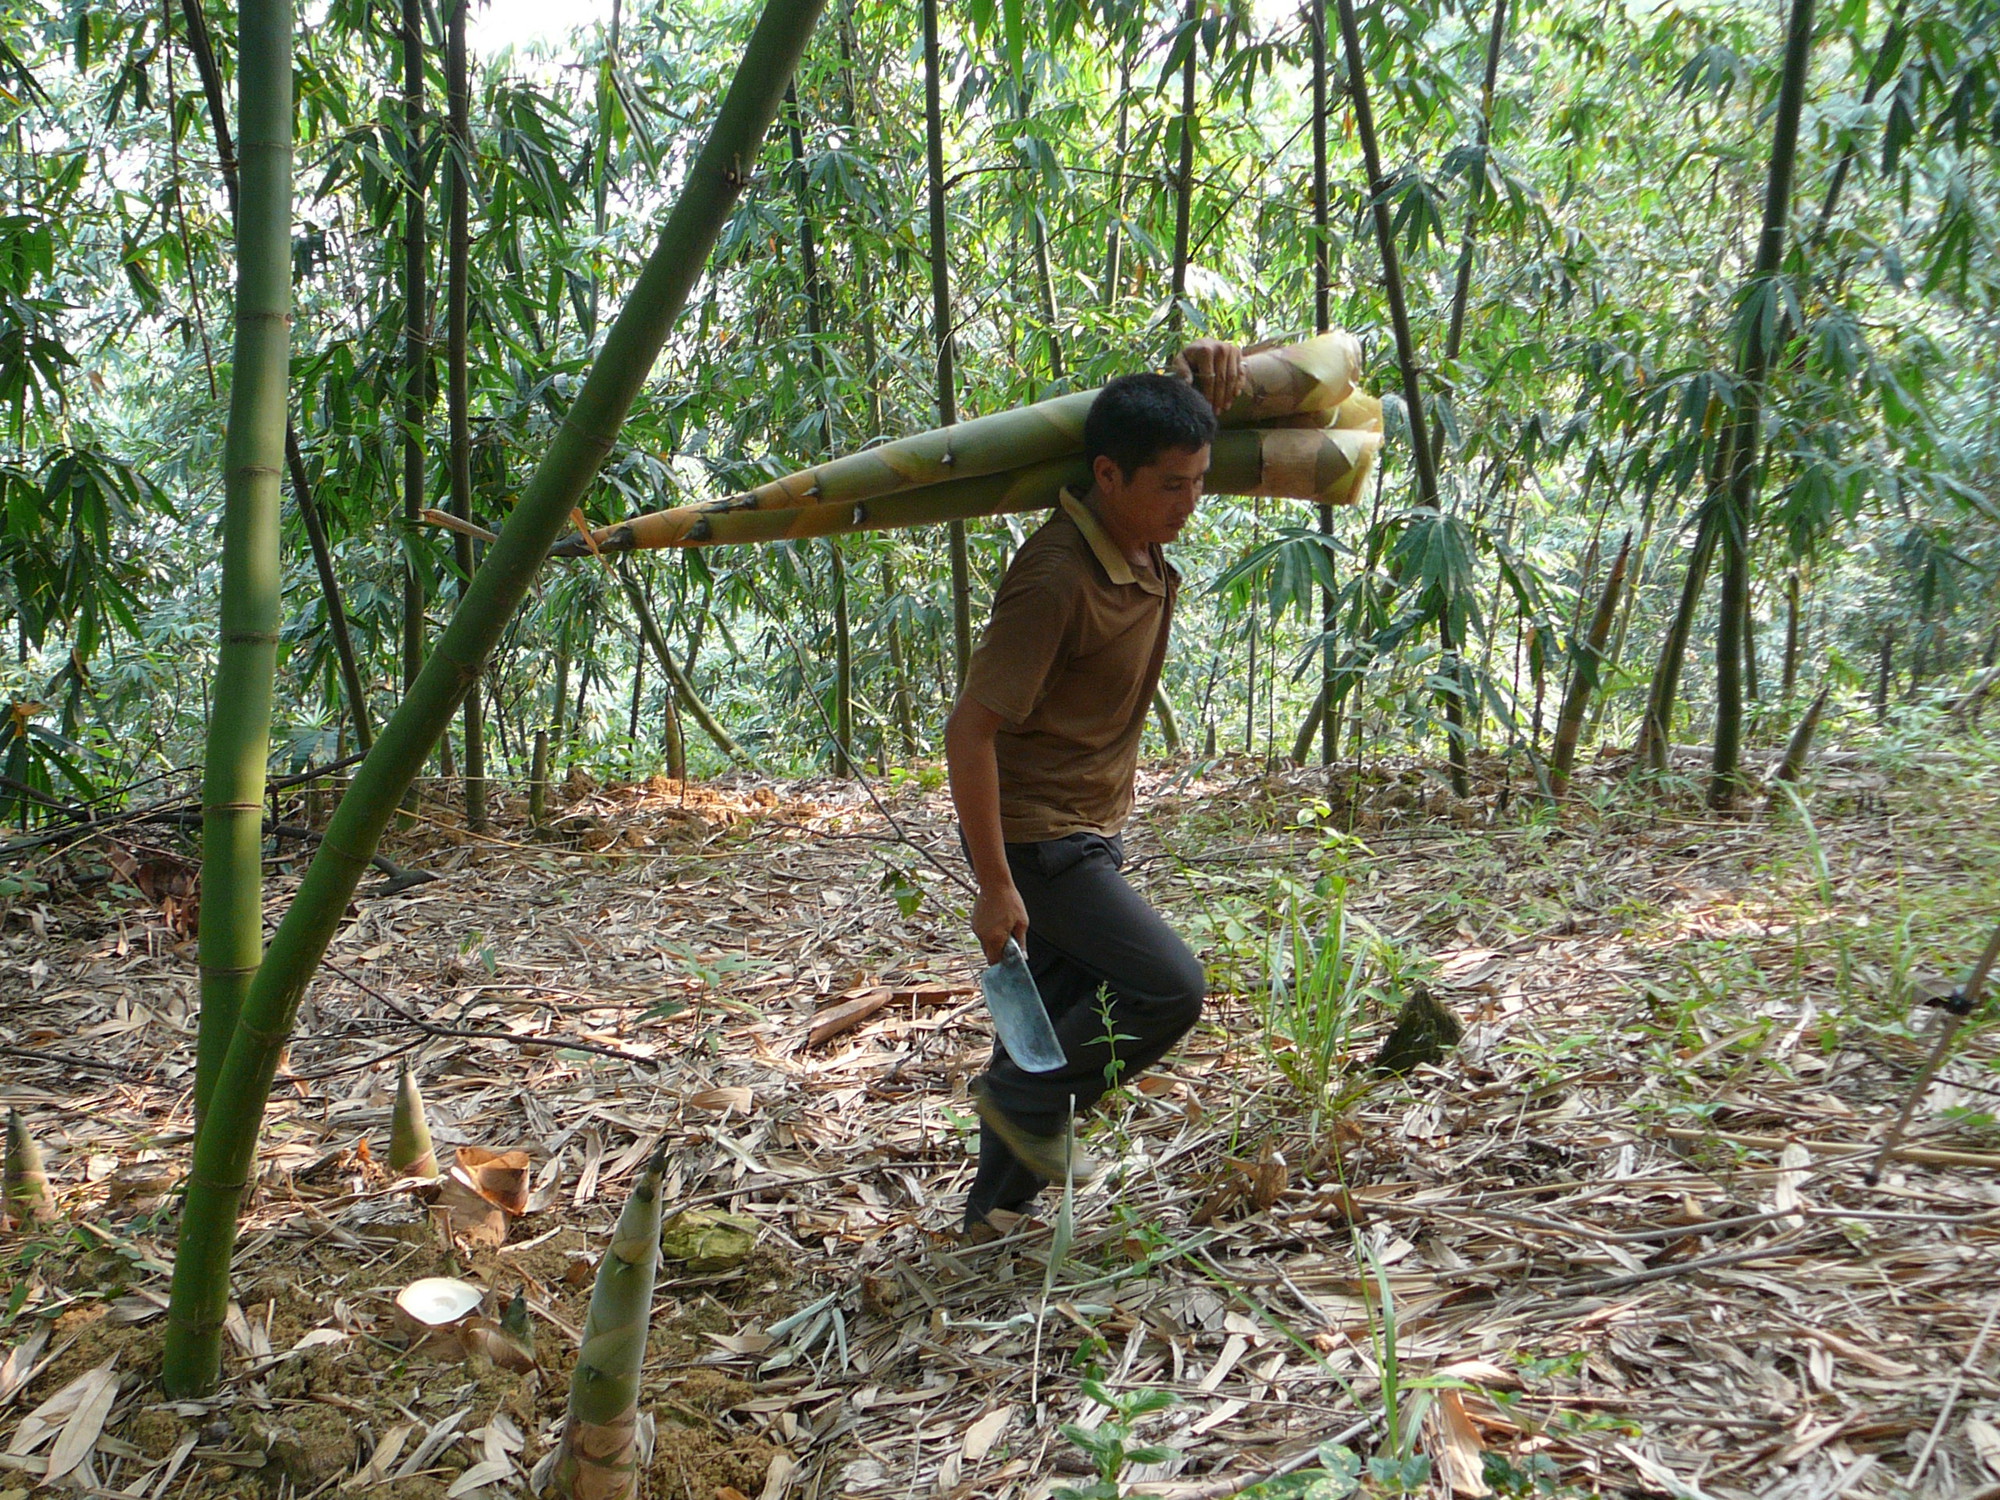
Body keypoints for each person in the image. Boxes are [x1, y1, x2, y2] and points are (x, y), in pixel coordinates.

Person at [945, 340, 1245, 1241]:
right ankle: (1016, 1097)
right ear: (1107, 475)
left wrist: (1206, 380)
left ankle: (992, 1216)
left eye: (1200, 482)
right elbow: (971, 729)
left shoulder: (1137, 537)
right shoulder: (1056, 578)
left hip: (1085, 826)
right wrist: (997, 882)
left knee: (1051, 1023)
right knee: (1167, 987)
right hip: (1040, 839)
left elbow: (1172, 414)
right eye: (1172, 486)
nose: (1190, 503)